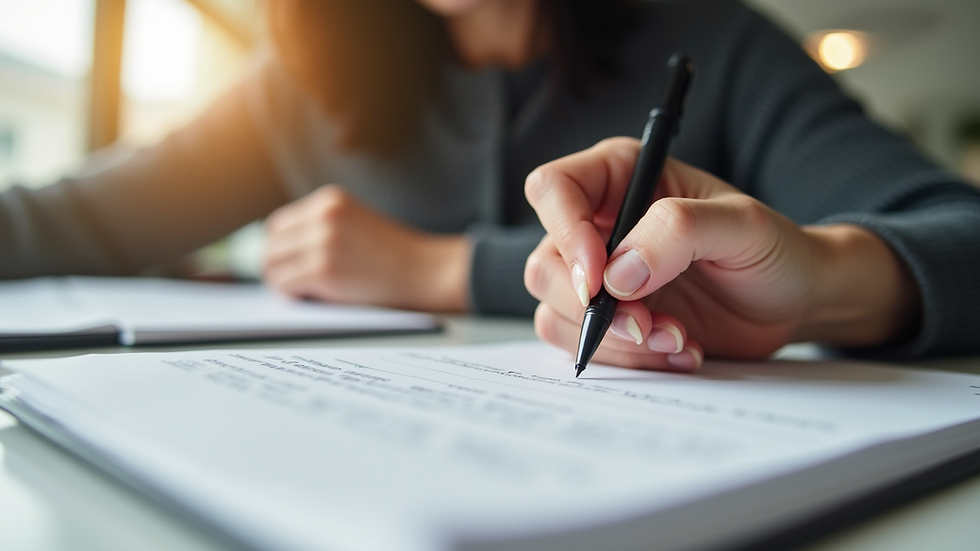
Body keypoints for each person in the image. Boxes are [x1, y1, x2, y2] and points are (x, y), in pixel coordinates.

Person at [1, 0, 978, 363]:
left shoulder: (714, 42)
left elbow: (959, 236)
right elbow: (69, 220)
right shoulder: (300, 83)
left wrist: (440, 267)